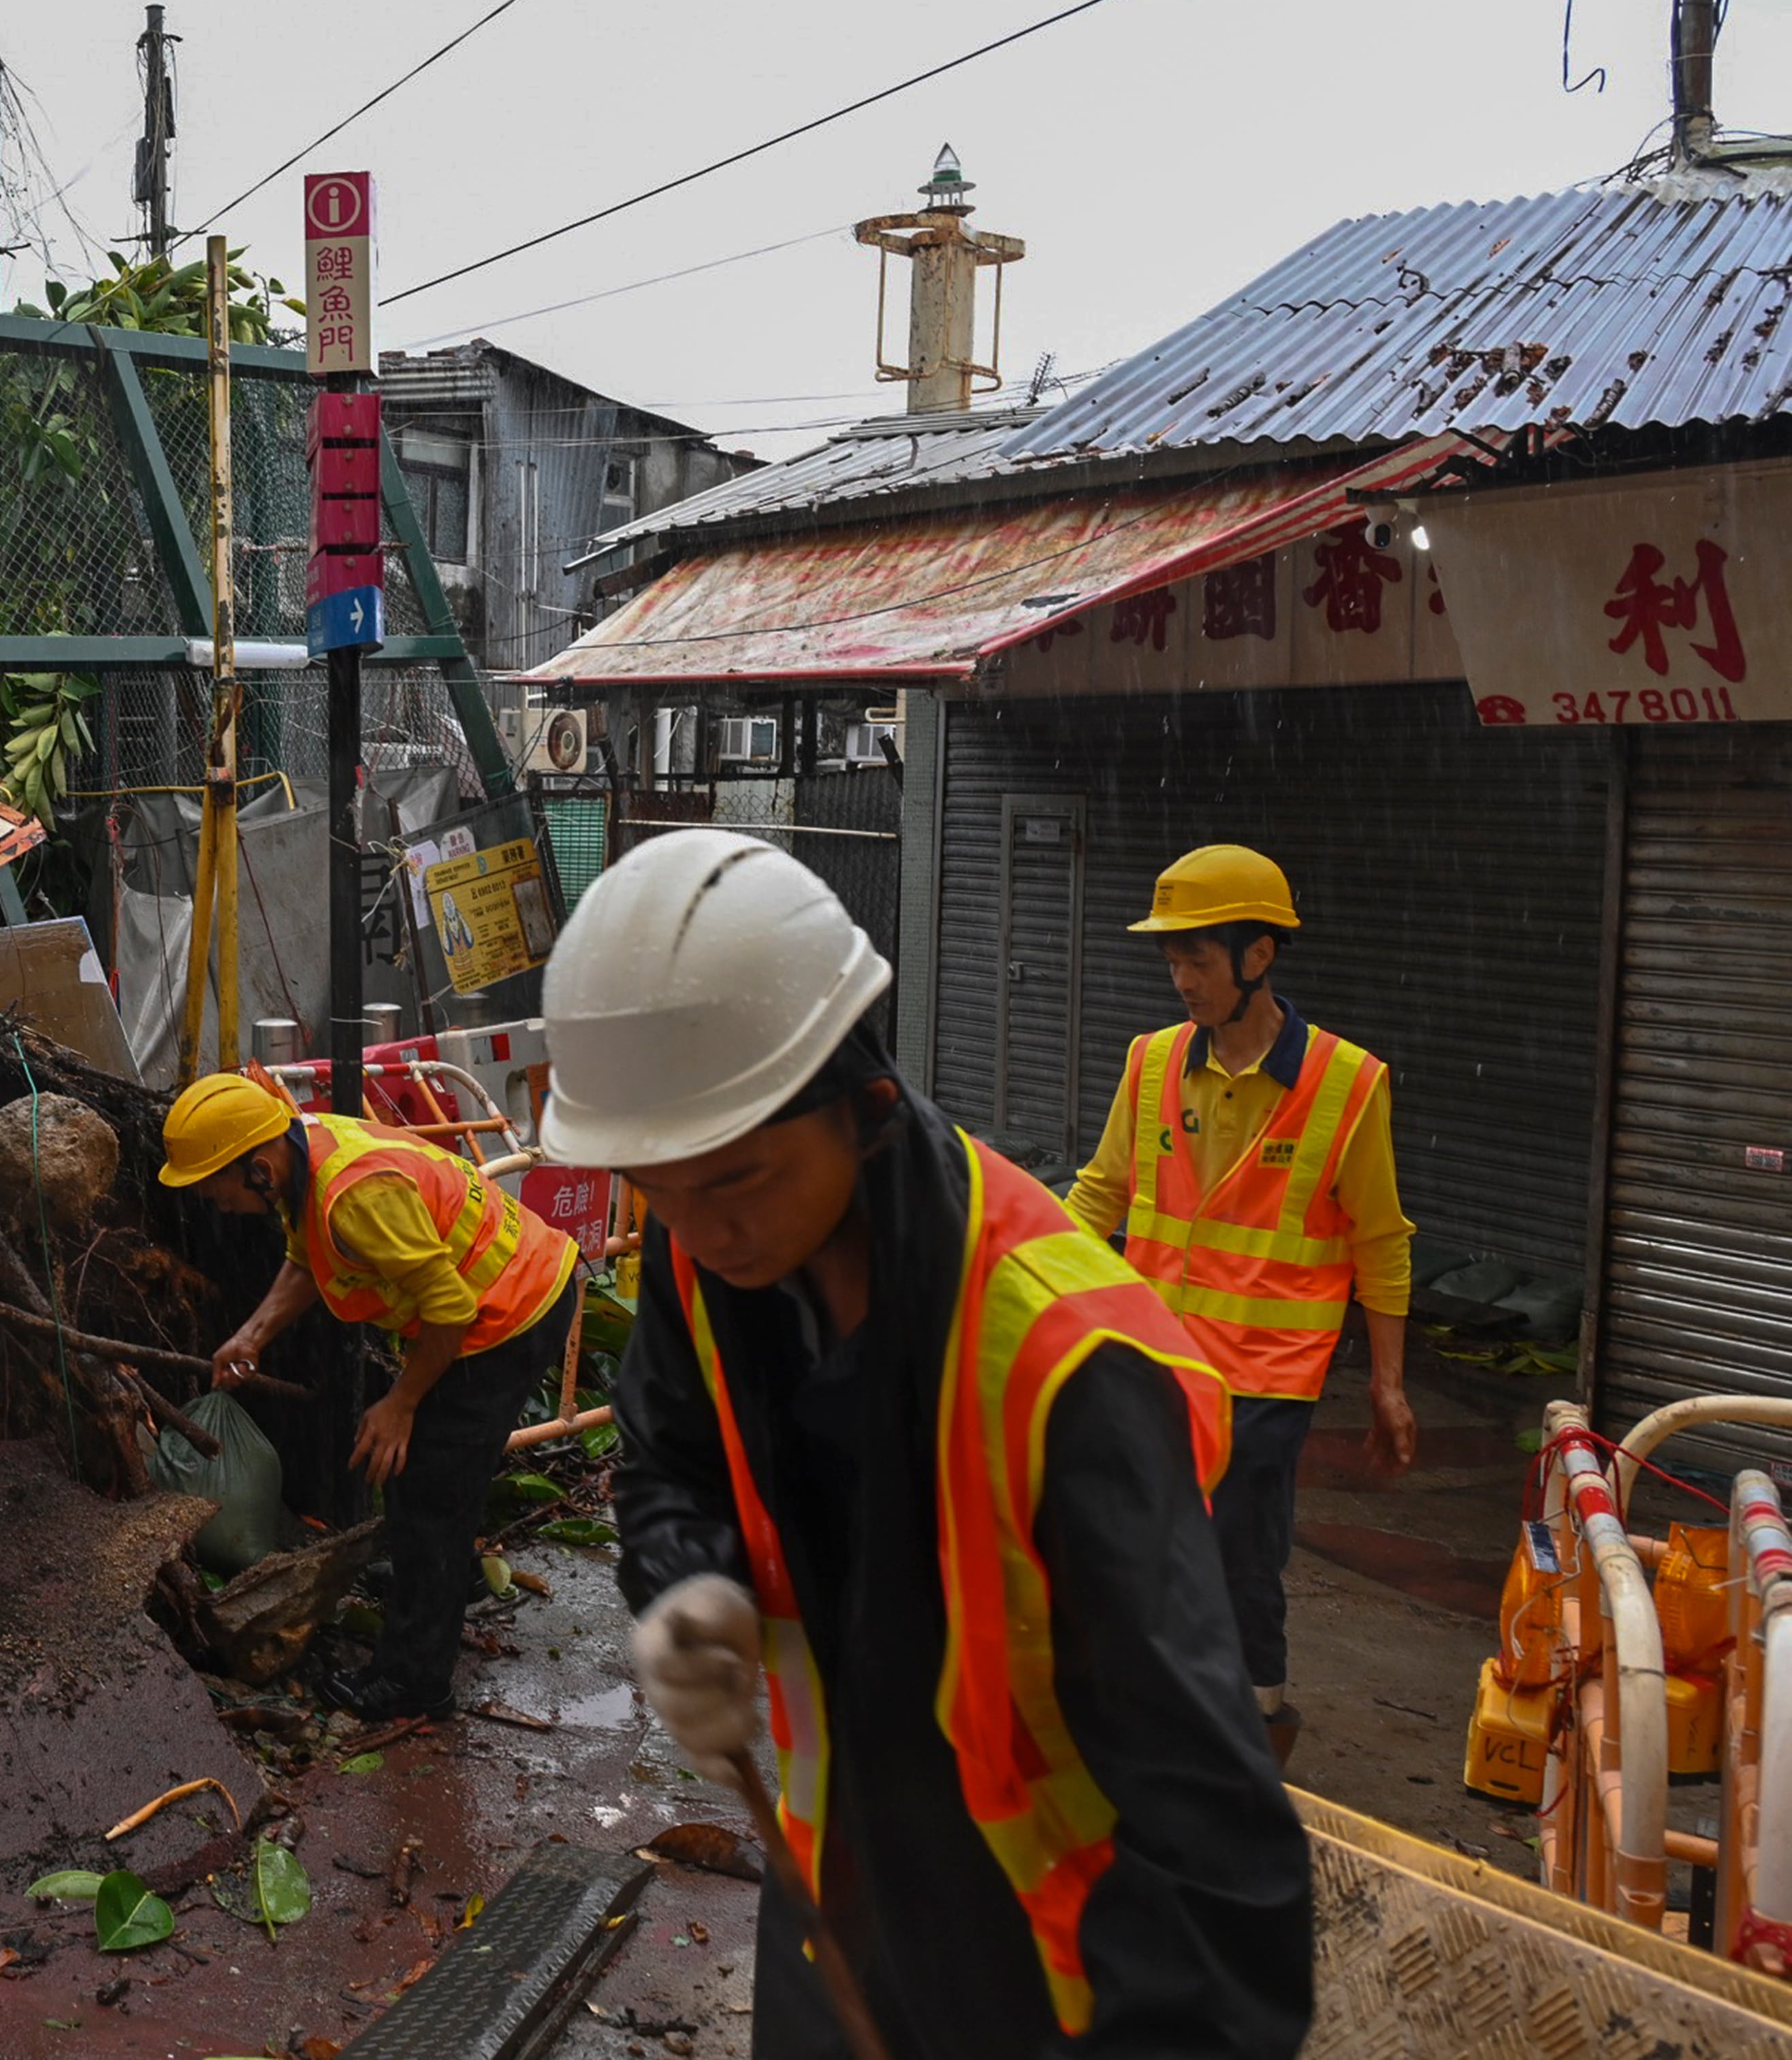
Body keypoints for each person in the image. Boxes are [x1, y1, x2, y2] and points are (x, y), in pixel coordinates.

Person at [543, 831, 1309, 2060]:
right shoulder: (703, 1253)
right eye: (656, 1187)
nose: (696, 1226)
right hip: (833, 1917)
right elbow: (665, 1455)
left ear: (869, 1110)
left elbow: (1217, 1835)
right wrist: (686, 1576)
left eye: (732, 1179)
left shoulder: (1070, 1368)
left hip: (1055, 1973)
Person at [1064, 844, 1416, 1764]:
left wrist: (1389, 1382)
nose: (1181, 980)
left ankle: (1255, 1728)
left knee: (1238, 1557)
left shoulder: (1348, 1086)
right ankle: (1156, 1712)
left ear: (1258, 956)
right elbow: (1099, 1195)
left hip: (1267, 1379)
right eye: (1172, 960)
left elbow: (1380, 1237)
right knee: (1136, 1535)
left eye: (1199, 960)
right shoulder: (1149, 1066)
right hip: (1154, 1360)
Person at [157, 1070, 577, 1721]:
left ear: (260, 1169)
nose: (216, 1202)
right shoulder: (307, 1152)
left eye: (217, 1186)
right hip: (495, 1296)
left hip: (508, 1312)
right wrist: (252, 1335)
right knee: (418, 1477)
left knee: (431, 1486)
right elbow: (308, 1254)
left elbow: (450, 1306)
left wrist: (401, 1403)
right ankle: (445, 1578)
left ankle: (414, 1684)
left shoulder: (357, 1196)